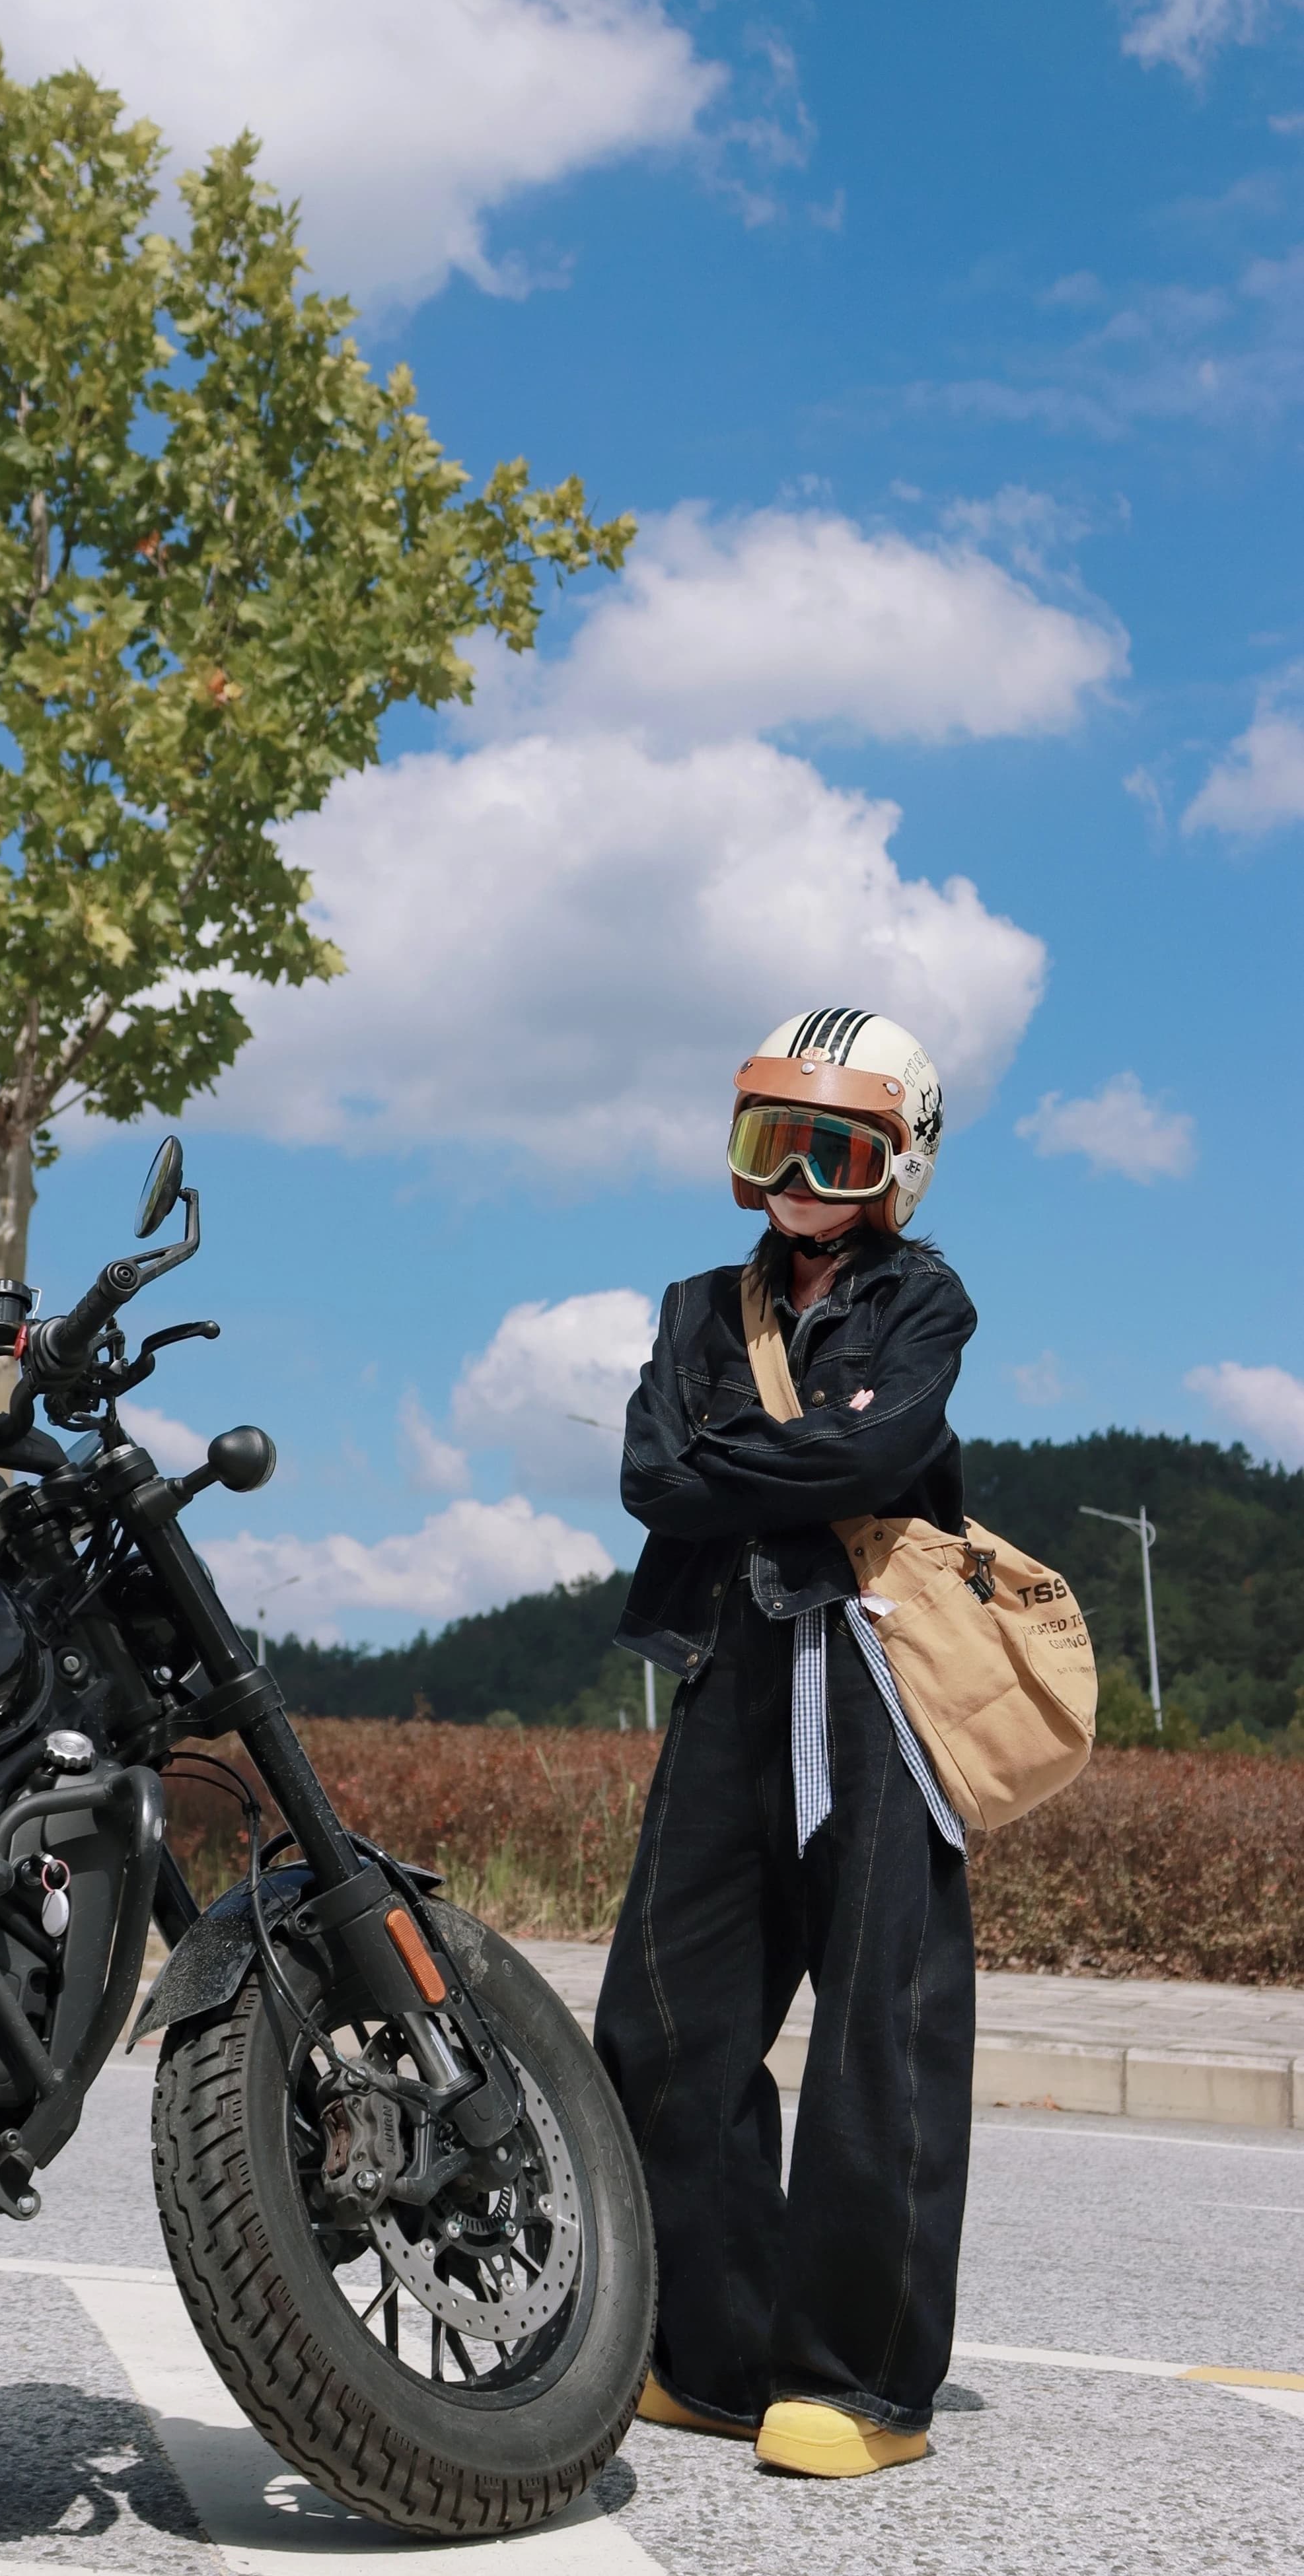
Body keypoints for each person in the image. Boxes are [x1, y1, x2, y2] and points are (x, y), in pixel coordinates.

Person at [593, 1006, 977, 2480]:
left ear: (900, 1165)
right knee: (659, 2023)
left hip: (879, 1682)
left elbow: (877, 1456)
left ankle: (864, 2380)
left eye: (839, 1145)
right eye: (774, 1141)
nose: (802, 1174)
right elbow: (648, 1479)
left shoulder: (923, 1303)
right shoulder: (696, 1304)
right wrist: (798, 1460)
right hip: (725, 1678)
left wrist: (733, 1466)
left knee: (879, 2028)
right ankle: (713, 2352)